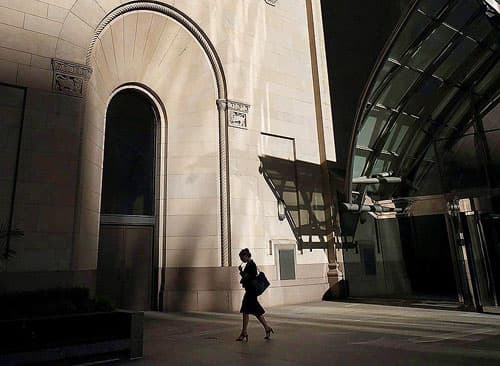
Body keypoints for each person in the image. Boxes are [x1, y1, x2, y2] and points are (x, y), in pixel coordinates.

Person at [236, 248, 274, 341]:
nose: (241, 259)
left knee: (247, 310)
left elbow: (250, 277)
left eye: (242, 257)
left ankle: (244, 332)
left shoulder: (252, 265)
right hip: (250, 291)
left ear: (246, 256)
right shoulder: (250, 264)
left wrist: (241, 272)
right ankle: (266, 328)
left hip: (251, 291)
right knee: (253, 311)